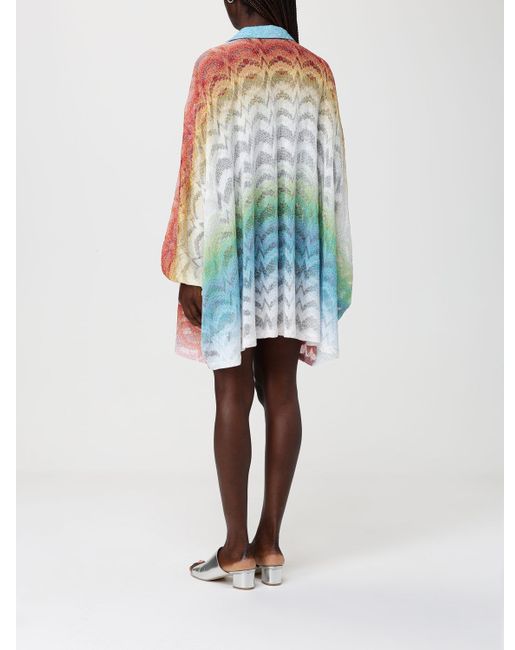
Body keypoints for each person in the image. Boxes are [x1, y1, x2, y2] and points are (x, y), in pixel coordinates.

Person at [161, 0, 352, 589]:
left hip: (231, 256)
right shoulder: (316, 73)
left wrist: (189, 266)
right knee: (283, 392)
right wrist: (327, 266)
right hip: (293, 259)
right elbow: (333, 177)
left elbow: (195, 174)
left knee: (231, 395)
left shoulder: (214, 68)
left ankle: (235, 550)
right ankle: (270, 544)